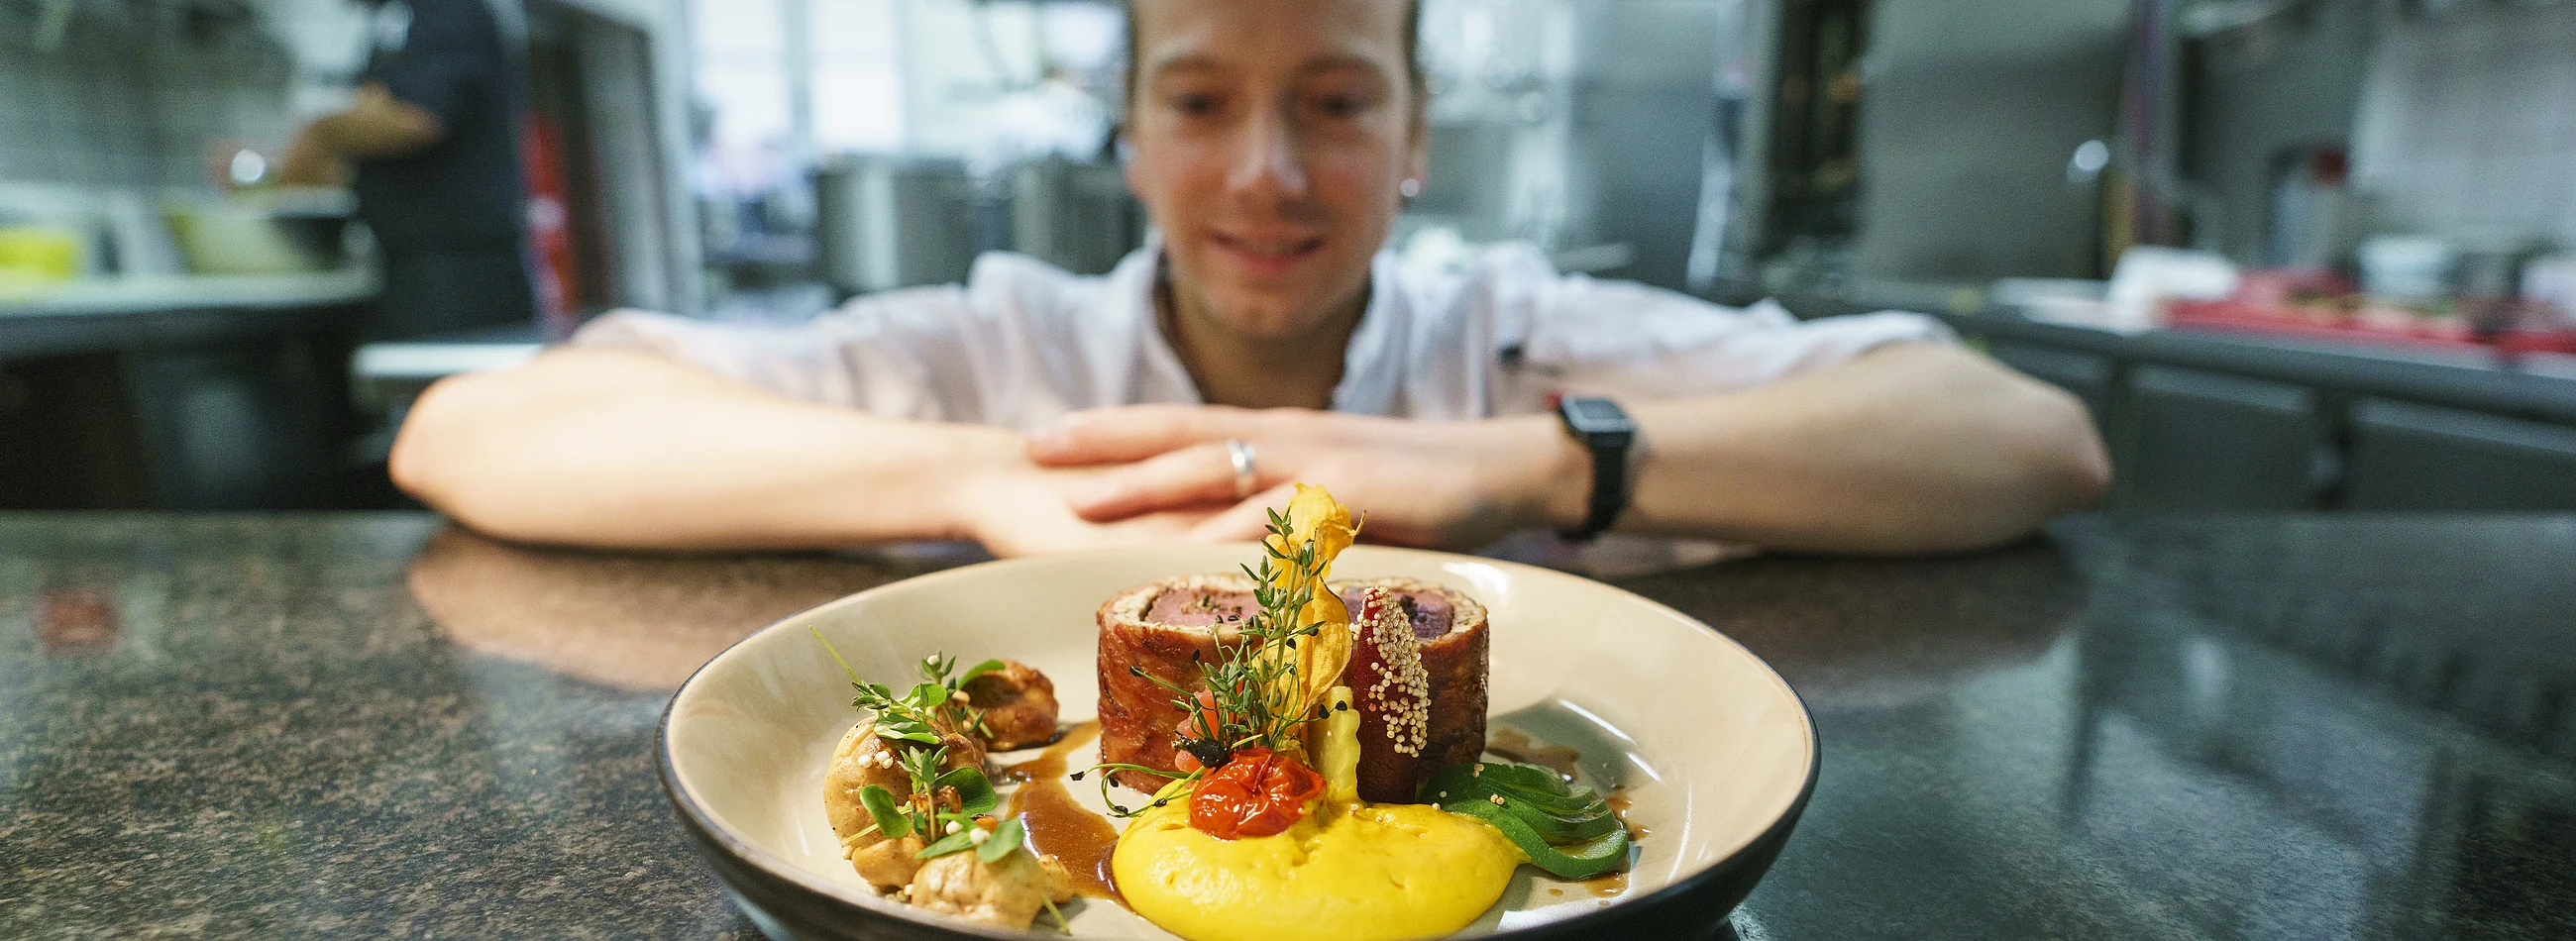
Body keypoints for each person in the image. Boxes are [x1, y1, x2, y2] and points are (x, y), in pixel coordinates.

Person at [390, 0, 2109, 559]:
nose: (1268, 173)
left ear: (1415, 137)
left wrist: (1512, 463)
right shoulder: (1000, 343)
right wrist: (984, 478)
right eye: (1202, 103)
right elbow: (477, 428)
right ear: (1132, 141)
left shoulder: (1514, 335)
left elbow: (2025, 437)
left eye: (1337, 104)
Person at [269, 0, 537, 340]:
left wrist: (320, 134)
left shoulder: (445, 10)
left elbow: (415, 119)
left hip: (455, 273)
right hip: (417, 270)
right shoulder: (398, 23)